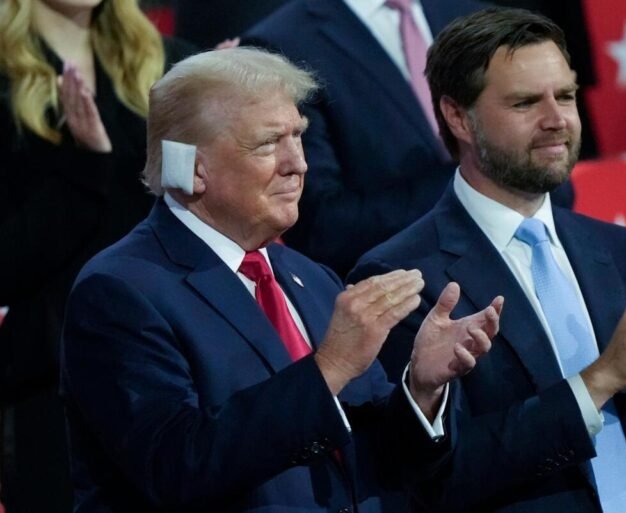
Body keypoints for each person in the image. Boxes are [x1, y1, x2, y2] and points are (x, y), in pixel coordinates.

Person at [59, 47, 502, 513]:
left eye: (298, 136)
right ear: (191, 167)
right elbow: (176, 467)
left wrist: (422, 389)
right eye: (269, 143)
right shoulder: (120, 291)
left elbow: (377, 459)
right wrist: (328, 367)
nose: (298, 163)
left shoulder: (310, 277)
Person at [350, 8, 626, 513]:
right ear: (457, 116)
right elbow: (431, 479)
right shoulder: (401, 278)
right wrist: (601, 379)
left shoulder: (625, 254)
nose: (557, 120)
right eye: (526, 102)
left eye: (567, 96)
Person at [0, 1, 195, 511]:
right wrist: (83, 168)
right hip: (50, 377)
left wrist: (219, 120)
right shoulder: (4, 76)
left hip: (169, 349)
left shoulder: (166, 62)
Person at [243, 0, 576, 279]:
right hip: (401, 294)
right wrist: (481, 176)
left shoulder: (473, 15)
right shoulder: (283, 44)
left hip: (531, 263)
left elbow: (553, 181)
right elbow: (322, 226)